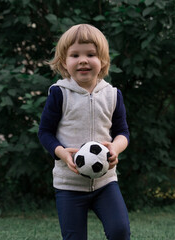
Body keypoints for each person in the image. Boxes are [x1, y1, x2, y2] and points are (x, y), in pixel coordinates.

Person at [38, 23, 130, 240]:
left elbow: (122, 132)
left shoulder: (113, 95)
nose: (83, 60)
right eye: (75, 55)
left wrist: (115, 148)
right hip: (68, 184)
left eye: (91, 54)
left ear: (103, 61)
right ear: (63, 62)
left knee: (120, 231)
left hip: (105, 182)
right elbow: (45, 132)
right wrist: (61, 153)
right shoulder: (59, 94)